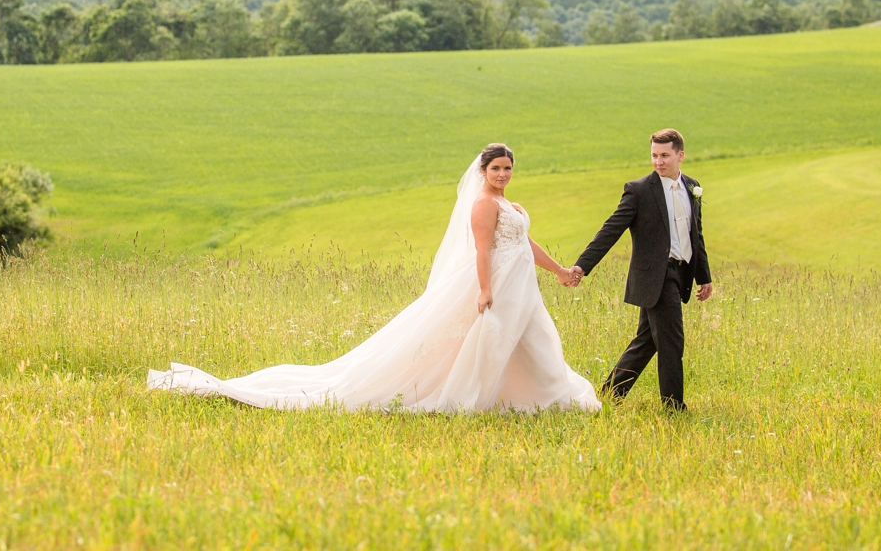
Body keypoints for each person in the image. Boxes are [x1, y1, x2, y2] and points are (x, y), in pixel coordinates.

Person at [148, 143, 601, 413]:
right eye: (496, 169)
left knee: (531, 337)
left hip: (524, 286)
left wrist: (560, 270)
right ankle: (496, 397)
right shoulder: (483, 205)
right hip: (497, 284)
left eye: (507, 169)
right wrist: (485, 290)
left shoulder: (513, 207)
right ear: (483, 172)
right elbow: (483, 250)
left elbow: (525, 245)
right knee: (492, 340)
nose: (502, 175)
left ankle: (541, 395)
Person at [566, 128, 713, 411]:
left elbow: (697, 236)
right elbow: (611, 229)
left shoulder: (692, 187)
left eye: (665, 156)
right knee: (671, 340)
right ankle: (673, 407)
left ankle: (608, 397)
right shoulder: (639, 190)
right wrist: (583, 266)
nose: (658, 162)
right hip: (656, 276)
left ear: (680, 155)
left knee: (647, 340)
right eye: (654, 156)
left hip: (680, 273)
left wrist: (703, 277)